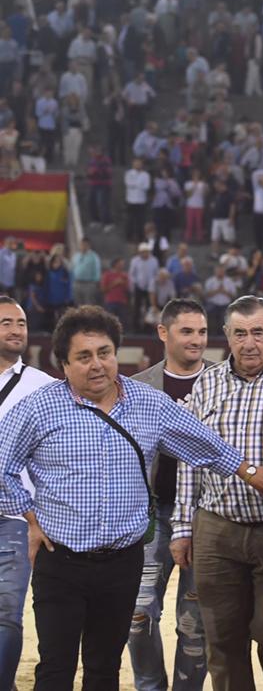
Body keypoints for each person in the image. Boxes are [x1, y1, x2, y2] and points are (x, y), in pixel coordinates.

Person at [0, 305, 263, 691]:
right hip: (61, 561)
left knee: (104, 668)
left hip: (123, 560)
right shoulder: (39, 407)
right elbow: (2, 464)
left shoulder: (147, 403)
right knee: (55, 668)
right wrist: (29, 517)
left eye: (104, 353)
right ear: (63, 364)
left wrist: (251, 473)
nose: (97, 365)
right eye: (83, 357)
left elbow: (204, 443)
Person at [172, 295, 263, 691]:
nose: (249, 342)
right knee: (221, 639)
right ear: (227, 336)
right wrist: (182, 527)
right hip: (216, 528)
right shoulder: (208, 381)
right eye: (240, 333)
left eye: (258, 332)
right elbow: (191, 456)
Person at [128, 298, 211, 691]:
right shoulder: (137, 386)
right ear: (163, 333)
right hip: (151, 517)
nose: (197, 340)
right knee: (138, 612)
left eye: (202, 332)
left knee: (195, 622)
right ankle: (149, 686)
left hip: (207, 516)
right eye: (187, 331)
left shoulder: (221, 383)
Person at [0, 295, 53, 689]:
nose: (17, 330)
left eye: (20, 323)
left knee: (7, 612)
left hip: (16, 519)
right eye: (6, 323)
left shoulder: (43, 386)